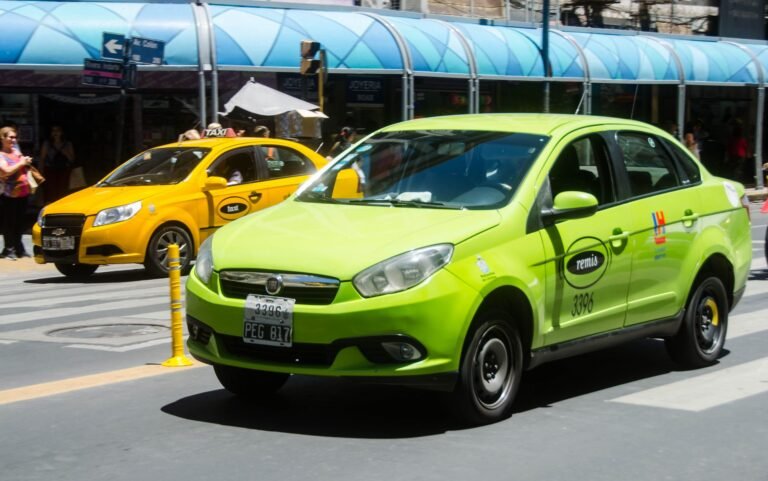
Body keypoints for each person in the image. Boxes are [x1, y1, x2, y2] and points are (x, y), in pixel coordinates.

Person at [0, 127, 34, 260]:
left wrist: (26, 161)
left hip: (22, 193)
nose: (13, 140)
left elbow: (22, 165)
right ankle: (9, 249)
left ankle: (19, 248)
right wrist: (21, 163)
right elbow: (6, 170)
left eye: (15, 137)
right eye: (10, 137)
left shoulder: (16, 151)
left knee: (20, 221)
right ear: (2, 138)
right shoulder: (1, 154)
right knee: (9, 222)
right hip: (8, 194)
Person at [39, 125, 75, 203]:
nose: (55, 133)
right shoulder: (47, 143)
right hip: (50, 170)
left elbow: (72, 159)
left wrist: (66, 153)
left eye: (58, 130)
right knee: (51, 191)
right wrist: (40, 172)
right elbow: (42, 158)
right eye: (53, 131)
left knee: (63, 191)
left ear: (62, 132)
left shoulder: (67, 143)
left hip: (64, 170)